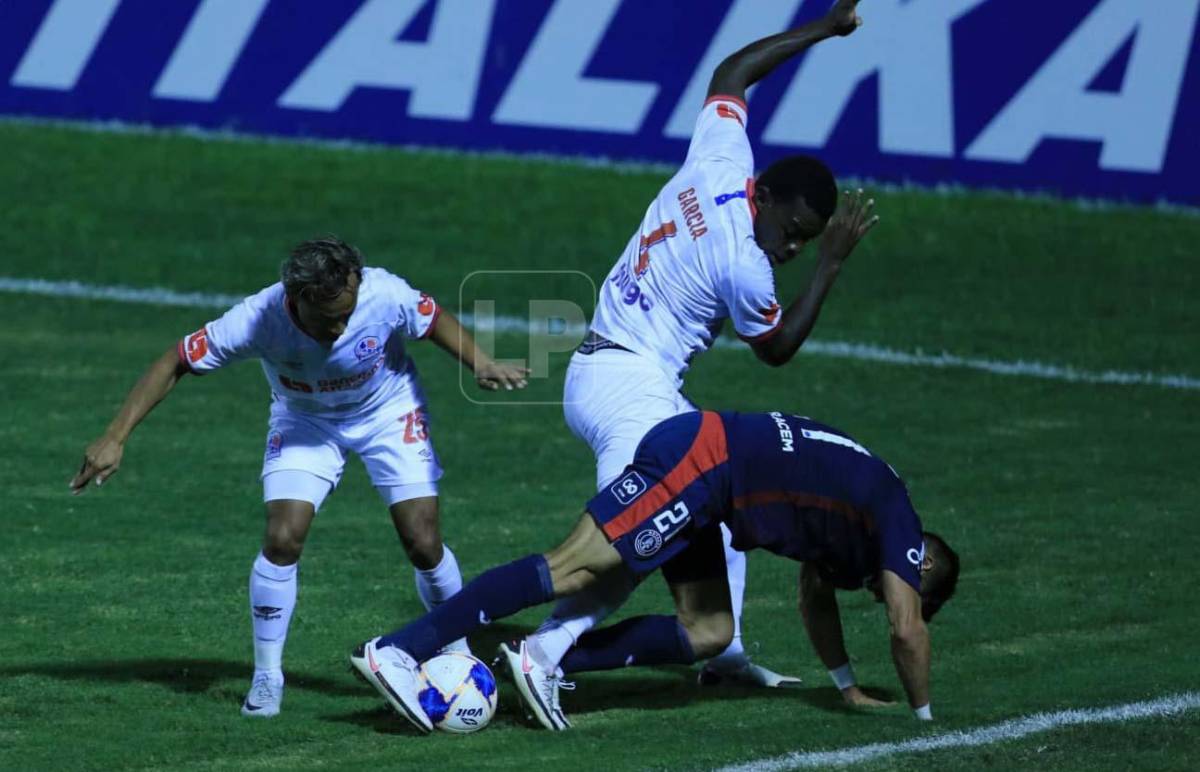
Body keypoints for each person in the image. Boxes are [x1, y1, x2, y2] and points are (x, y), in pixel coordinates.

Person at [519, 0, 880, 719]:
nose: (792, 247)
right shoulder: (744, 264)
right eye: (792, 231)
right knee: (632, 543)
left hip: (618, 372)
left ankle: (726, 653)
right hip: (628, 388)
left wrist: (824, 30)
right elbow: (775, 349)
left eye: (807, 242)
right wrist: (831, 267)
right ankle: (543, 656)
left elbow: (732, 72)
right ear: (767, 198)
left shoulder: (722, 158)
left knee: (718, 503)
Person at [69, 237, 529, 717]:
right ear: (298, 299)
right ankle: (267, 676)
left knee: (423, 540)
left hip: (388, 413)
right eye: (329, 318)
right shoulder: (257, 318)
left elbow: (432, 319)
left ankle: (455, 650)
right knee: (283, 537)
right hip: (305, 423)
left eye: (348, 314)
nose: (341, 327)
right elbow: (176, 360)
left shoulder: (382, 292)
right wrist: (115, 435)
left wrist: (481, 363)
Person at [351, 410, 960, 733]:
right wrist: (925, 719)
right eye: (907, 590)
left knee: (710, 630)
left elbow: (813, 593)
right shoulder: (898, 522)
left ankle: (529, 658)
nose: (890, 600)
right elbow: (907, 631)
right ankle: (398, 650)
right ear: (922, 562)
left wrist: (846, 684)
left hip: (712, 482)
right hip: (702, 459)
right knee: (577, 566)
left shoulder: (861, 534)